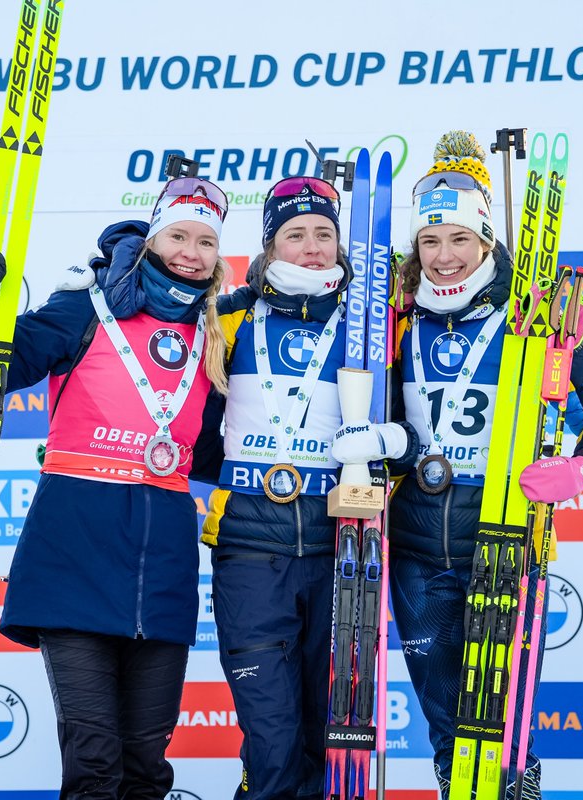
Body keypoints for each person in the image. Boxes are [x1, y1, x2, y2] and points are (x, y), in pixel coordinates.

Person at [334, 131, 583, 799]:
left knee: (505, 731)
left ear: (486, 241)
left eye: (459, 240)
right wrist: (382, 442)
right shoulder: (397, 323)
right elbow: (397, 426)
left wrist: (582, 471)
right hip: (412, 549)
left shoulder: (534, 320)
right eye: (430, 242)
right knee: (448, 729)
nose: (443, 256)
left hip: (504, 541)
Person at [0, 176, 231, 800]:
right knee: (95, 761)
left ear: (219, 255)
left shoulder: (217, 334)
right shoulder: (91, 305)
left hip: (161, 567)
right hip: (73, 554)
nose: (190, 251)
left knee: (146, 765)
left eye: (205, 241)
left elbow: (226, 447)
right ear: (153, 238)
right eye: (178, 235)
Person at [195, 175, 417, 800]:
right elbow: (171, 394)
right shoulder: (227, 315)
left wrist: (396, 446)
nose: (313, 247)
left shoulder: (374, 327)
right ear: (269, 246)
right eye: (296, 234)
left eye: (325, 233)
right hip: (247, 549)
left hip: (343, 546)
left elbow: (419, 411)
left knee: (331, 734)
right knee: (270, 737)